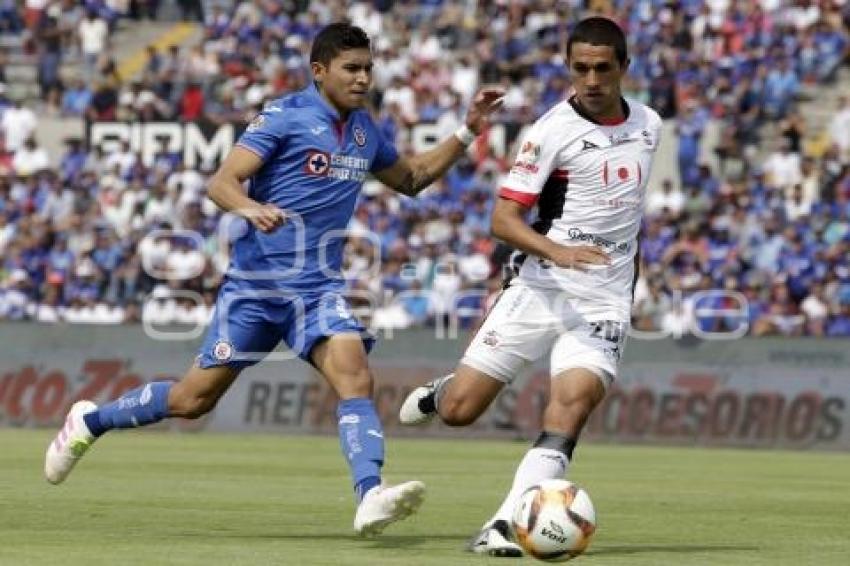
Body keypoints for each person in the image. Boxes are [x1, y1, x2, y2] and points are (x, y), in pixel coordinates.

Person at [45, 22, 503, 537]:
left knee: (354, 374)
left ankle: (370, 494)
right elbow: (223, 182)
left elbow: (414, 179)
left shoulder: (365, 131)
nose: (363, 78)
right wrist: (251, 208)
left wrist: (467, 133)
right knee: (192, 400)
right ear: (319, 71)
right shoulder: (284, 117)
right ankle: (91, 421)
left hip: (316, 289)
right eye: (351, 69)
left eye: (368, 68)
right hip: (256, 289)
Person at [398, 17, 662, 556]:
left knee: (571, 406)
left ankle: (502, 525)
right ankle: (443, 390)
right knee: (460, 412)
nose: (591, 80)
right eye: (580, 68)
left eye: (602, 69)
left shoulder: (650, 125)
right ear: (569, 67)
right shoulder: (548, 132)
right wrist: (560, 251)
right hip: (539, 287)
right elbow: (503, 221)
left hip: (604, 301)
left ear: (624, 69)